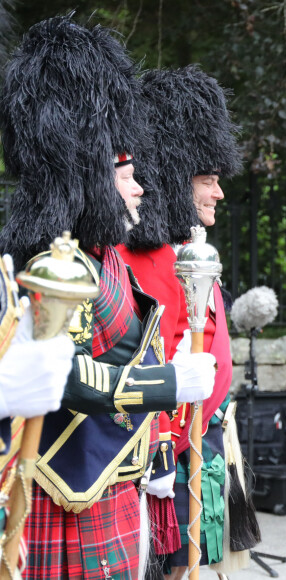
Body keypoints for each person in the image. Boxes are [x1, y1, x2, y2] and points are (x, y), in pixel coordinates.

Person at [0, 17, 216, 579]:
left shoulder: (105, 254)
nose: (140, 186)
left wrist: (161, 449)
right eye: (124, 173)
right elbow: (71, 379)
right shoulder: (56, 261)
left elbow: (131, 353)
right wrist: (172, 384)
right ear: (91, 174)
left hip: (116, 480)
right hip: (64, 487)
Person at [116, 65, 246, 579]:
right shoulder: (145, 259)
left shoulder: (187, 253)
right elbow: (149, 360)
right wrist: (163, 449)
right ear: (177, 178)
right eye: (207, 181)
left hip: (204, 439)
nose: (217, 193)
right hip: (170, 449)